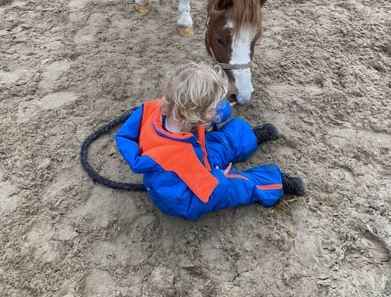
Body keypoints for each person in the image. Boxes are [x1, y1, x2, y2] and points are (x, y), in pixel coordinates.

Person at [115, 62, 305, 220]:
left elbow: (126, 135)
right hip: (185, 194)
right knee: (235, 186)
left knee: (220, 143)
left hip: (193, 150)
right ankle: (275, 183)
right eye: (212, 110)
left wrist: (221, 110)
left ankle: (250, 138)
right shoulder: (176, 165)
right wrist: (218, 180)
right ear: (195, 115)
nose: (216, 112)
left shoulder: (153, 109)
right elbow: (191, 203)